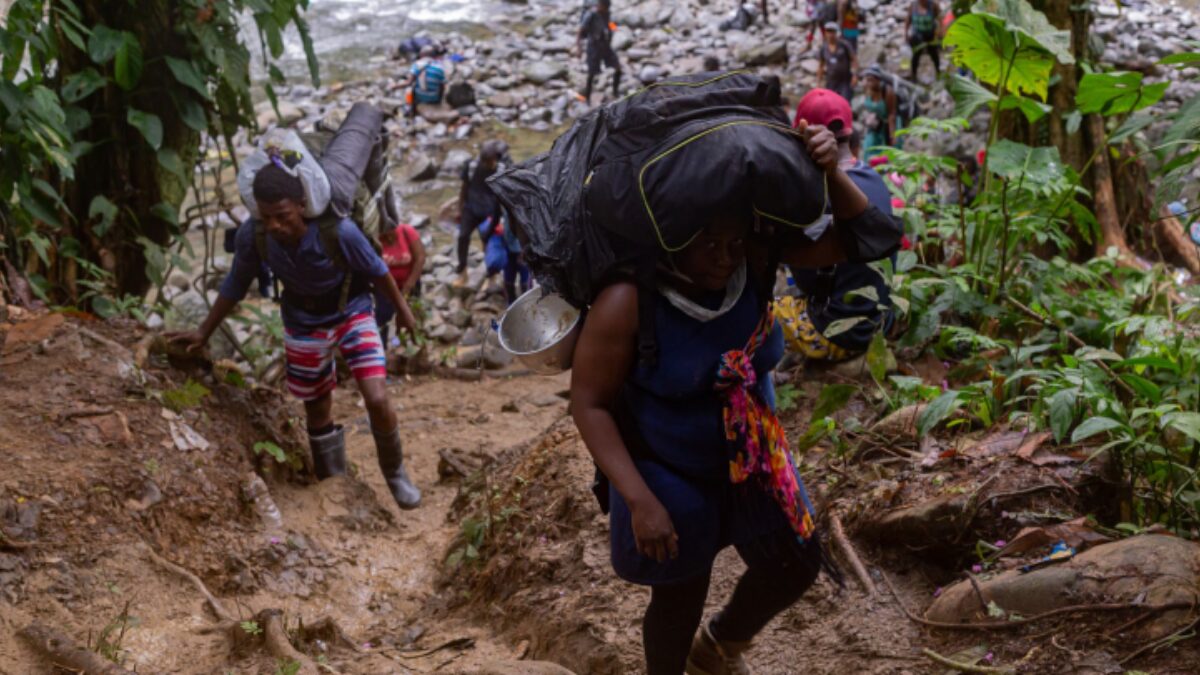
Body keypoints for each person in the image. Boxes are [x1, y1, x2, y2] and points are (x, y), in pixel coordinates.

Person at [571, 122, 895, 674]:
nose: (724, 259)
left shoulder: (757, 259)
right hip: (665, 460)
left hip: (749, 452)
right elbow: (590, 404)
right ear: (672, 238)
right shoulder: (628, 301)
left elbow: (869, 236)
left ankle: (718, 648)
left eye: (733, 242)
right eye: (709, 246)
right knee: (680, 590)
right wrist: (641, 500)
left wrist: (831, 171)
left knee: (796, 561)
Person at [170, 164, 422, 510]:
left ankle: (395, 474)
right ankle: (334, 484)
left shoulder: (340, 232)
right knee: (317, 406)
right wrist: (203, 331)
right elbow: (236, 285)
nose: (275, 225)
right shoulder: (254, 236)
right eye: (267, 216)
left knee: (377, 397)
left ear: (302, 205)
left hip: (352, 311)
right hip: (303, 320)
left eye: (283, 216)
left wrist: (404, 314)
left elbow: (379, 273)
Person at [778, 89, 898, 361]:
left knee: (764, 312)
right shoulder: (873, 177)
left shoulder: (818, 196)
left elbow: (800, 267)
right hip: (880, 323)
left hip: (838, 332)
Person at [456, 141, 506, 286]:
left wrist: (502, 219)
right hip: (471, 209)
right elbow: (464, 188)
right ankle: (462, 272)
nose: (487, 164)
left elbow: (503, 197)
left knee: (491, 242)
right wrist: (460, 209)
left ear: (496, 158)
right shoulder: (471, 167)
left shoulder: (501, 171)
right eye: (485, 161)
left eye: (490, 161)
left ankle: (491, 276)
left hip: (491, 213)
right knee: (463, 237)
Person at [375, 221, 426, 347]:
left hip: (410, 285)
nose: (387, 237)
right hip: (385, 288)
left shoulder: (407, 231)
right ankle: (385, 349)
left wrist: (408, 286)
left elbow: (420, 258)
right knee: (383, 319)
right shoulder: (374, 239)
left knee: (411, 318)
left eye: (388, 233)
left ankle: (412, 347)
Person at [577, 0, 622, 105]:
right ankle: (587, 97)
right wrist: (579, 48)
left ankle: (615, 92)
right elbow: (580, 31)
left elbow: (609, 24)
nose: (599, 7)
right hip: (594, 47)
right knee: (592, 73)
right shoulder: (591, 15)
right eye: (599, 5)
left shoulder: (606, 13)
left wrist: (614, 28)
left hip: (606, 46)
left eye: (601, 5)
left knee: (618, 68)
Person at [861, 66, 898, 158]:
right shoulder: (866, 89)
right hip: (875, 124)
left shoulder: (888, 92)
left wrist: (892, 135)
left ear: (878, 81)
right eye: (867, 80)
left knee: (889, 152)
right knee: (868, 147)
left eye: (871, 80)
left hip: (888, 124)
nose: (869, 83)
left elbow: (891, 114)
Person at [815, 22, 857, 103]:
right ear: (825, 33)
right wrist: (818, 82)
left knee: (845, 102)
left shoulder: (844, 45)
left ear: (836, 32)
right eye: (828, 31)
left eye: (832, 31)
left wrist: (855, 75)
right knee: (831, 103)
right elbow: (821, 66)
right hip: (831, 81)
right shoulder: (824, 48)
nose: (830, 34)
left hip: (845, 80)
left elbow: (854, 59)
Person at [401, 45, 446, 117]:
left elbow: (408, 82)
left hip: (420, 99)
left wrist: (393, 86)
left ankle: (409, 108)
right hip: (435, 99)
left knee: (409, 88)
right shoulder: (440, 67)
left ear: (421, 55)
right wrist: (439, 100)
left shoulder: (417, 64)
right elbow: (442, 86)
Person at [905, 0, 941, 82]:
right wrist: (906, 33)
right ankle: (913, 75)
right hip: (916, 35)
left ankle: (938, 71)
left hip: (930, 34)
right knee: (916, 56)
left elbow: (940, 18)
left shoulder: (933, 5)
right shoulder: (913, 6)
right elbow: (908, 20)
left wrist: (940, 32)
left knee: (934, 54)